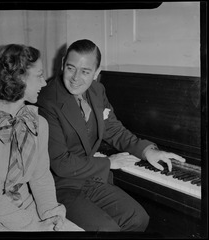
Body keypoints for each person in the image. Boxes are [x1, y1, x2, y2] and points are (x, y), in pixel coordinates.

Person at [36, 39, 186, 231]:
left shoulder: (97, 91)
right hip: (61, 186)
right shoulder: (47, 100)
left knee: (138, 218)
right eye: (71, 68)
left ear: (97, 73)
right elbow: (60, 163)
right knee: (108, 230)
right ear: (63, 62)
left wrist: (148, 151)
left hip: (91, 180)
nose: (75, 78)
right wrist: (110, 163)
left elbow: (113, 129)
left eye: (85, 71)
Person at [0, 44, 83, 231]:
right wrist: (34, 227)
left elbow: (41, 177)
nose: (44, 83)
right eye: (39, 75)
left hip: (29, 209)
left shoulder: (39, 124)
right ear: (18, 78)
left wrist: (51, 214)